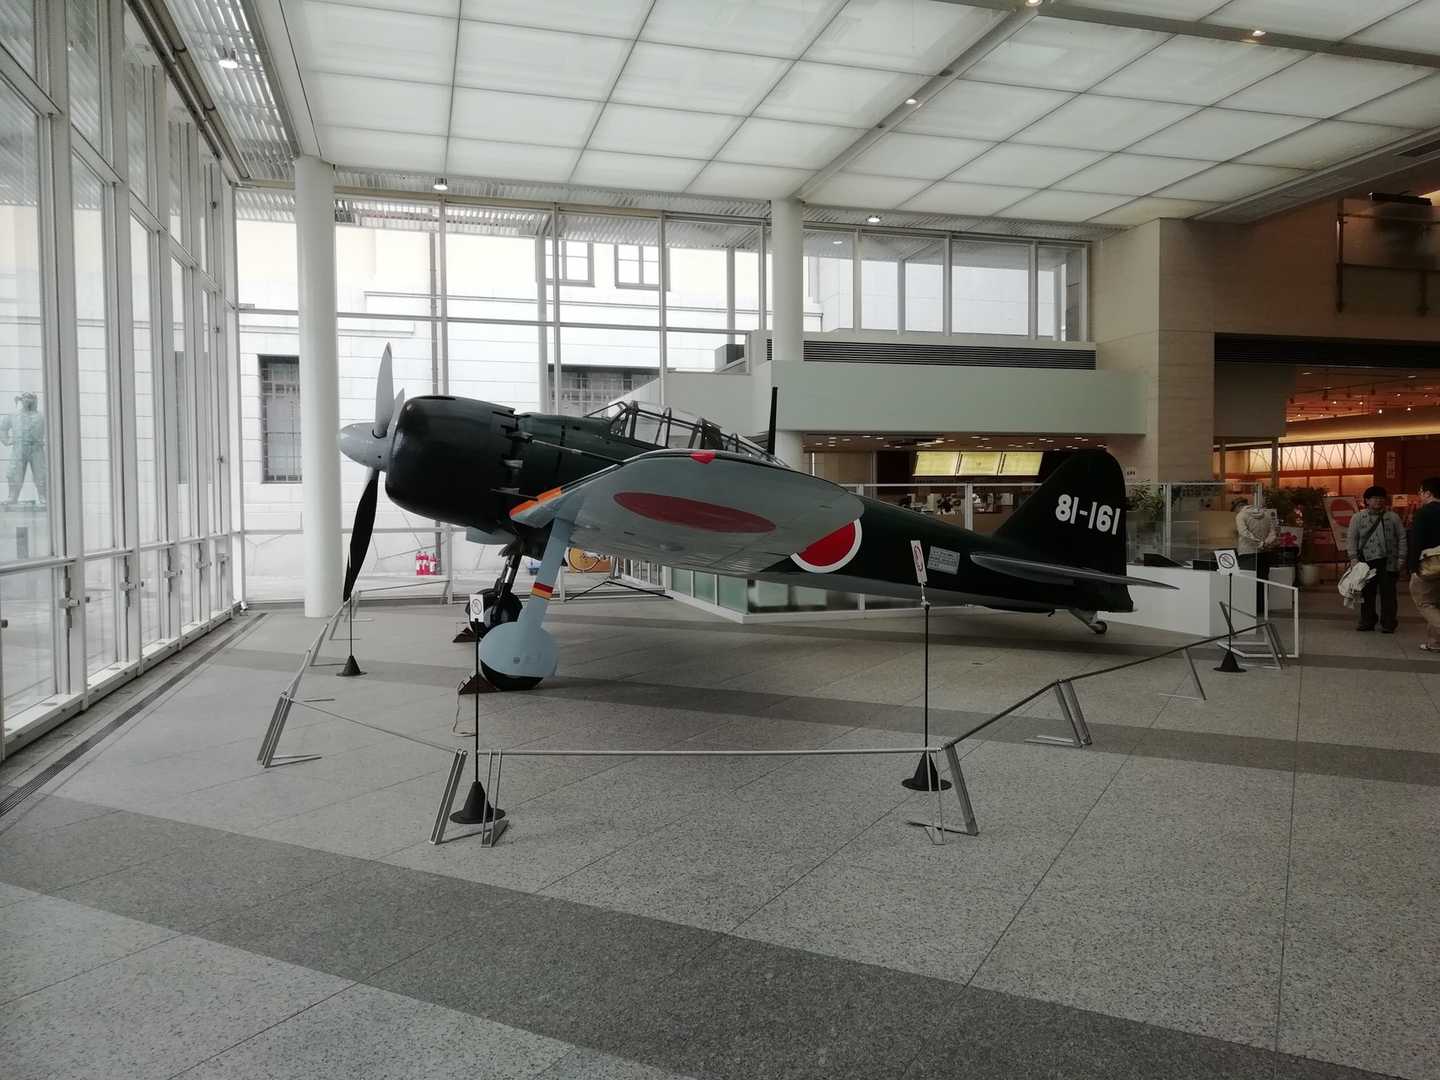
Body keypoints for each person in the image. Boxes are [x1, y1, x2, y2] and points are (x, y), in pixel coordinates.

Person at [1348, 485, 1405, 633]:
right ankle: (1367, 621)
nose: (1378, 501)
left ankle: (1388, 623)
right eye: (1374, 498)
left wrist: (1401, 558)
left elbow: (1402, 537)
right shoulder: (1358, 517)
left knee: (1389, 594)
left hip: (1389, 561)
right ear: (1367, 500)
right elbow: (1352, 539)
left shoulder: (1393, 517)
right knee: (1367, 593)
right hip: (1366, 561)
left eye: (1381, 498)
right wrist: (1353, 558)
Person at [1409, 477, 1440, 652]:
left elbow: (1417, 542)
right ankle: (1435, 643)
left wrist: (1413, 567)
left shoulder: (1424, 513)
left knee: (1425, 603)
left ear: (1428, 493)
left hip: (1429, 565)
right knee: (1437, 603)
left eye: (1420, 492)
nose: (1420, 495)